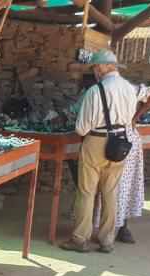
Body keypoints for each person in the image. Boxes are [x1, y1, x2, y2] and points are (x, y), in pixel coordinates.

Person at [60, 50, 138, 254]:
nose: (94, 71)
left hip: (96, 142)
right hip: (119, 142)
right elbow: (129, 118)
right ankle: (107, 240)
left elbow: (82, 128)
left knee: (86, 192)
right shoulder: (129, 89)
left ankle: (80, 239)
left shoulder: (95, 91)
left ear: (101, 67)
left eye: (94, 67)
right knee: (110, 193)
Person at [93, 84, 150, 244]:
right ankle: (109, 229)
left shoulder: (127, 88)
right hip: (114, 140)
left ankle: (122, 228)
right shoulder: (99, 90)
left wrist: (135, 116)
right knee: (111, 185)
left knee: (123, 185)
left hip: (123, 142)